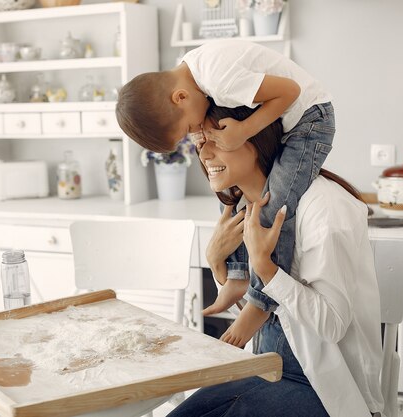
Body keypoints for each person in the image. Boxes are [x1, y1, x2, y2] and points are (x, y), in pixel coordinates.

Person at [166, 103, 384, 417]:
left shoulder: (325, 208)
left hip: (323, 386)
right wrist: (216, 262)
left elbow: (332, 325)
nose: (204, 154)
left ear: (255, 138)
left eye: (215, 140)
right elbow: (261, 311)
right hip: (264, 366)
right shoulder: (243, 206)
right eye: (201, 143)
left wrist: (266, 268)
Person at [116, 40, 335, 335]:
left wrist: (244, 130)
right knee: (232, 199)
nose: (195, 135)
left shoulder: (219, 80)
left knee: (274, 206)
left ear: (180, 97)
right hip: (287, 114)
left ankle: (260, 303)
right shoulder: (192, 74)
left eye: (187, 130)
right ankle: (237, 275)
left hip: (310, 118)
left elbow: (290, 92)